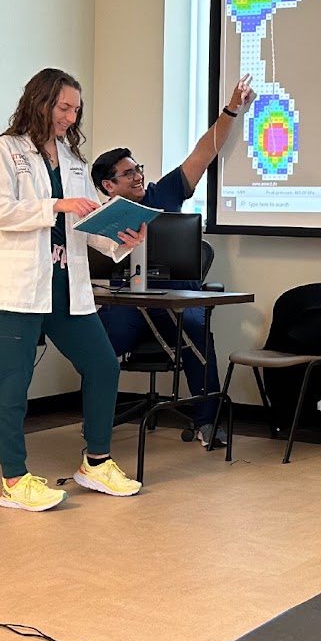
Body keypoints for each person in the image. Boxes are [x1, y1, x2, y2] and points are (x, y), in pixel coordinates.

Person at [0, 68, 146, 512]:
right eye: (64, 107)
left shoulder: (72, 160)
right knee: (15, 383)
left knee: (103, 366)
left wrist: (118, 239)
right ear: (41, 102)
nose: (71, 117)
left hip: (66, 288)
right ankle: (14, 480)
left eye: (76, 109)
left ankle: (96, 462)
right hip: (17, 289)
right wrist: (56, 204)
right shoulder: (4, 151)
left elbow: (85, 225)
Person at [91, 75, 254, 447]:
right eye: (127, 173)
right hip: (128, 303)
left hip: (175, 299)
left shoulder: (163, 192)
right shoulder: (99, 221)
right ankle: (96, 424)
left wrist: (232, 109)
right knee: (95, 345)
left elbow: (205, 151)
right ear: (108, 186)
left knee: (198, 333)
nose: (138, 176)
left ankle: (206, 421)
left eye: (138, 169)